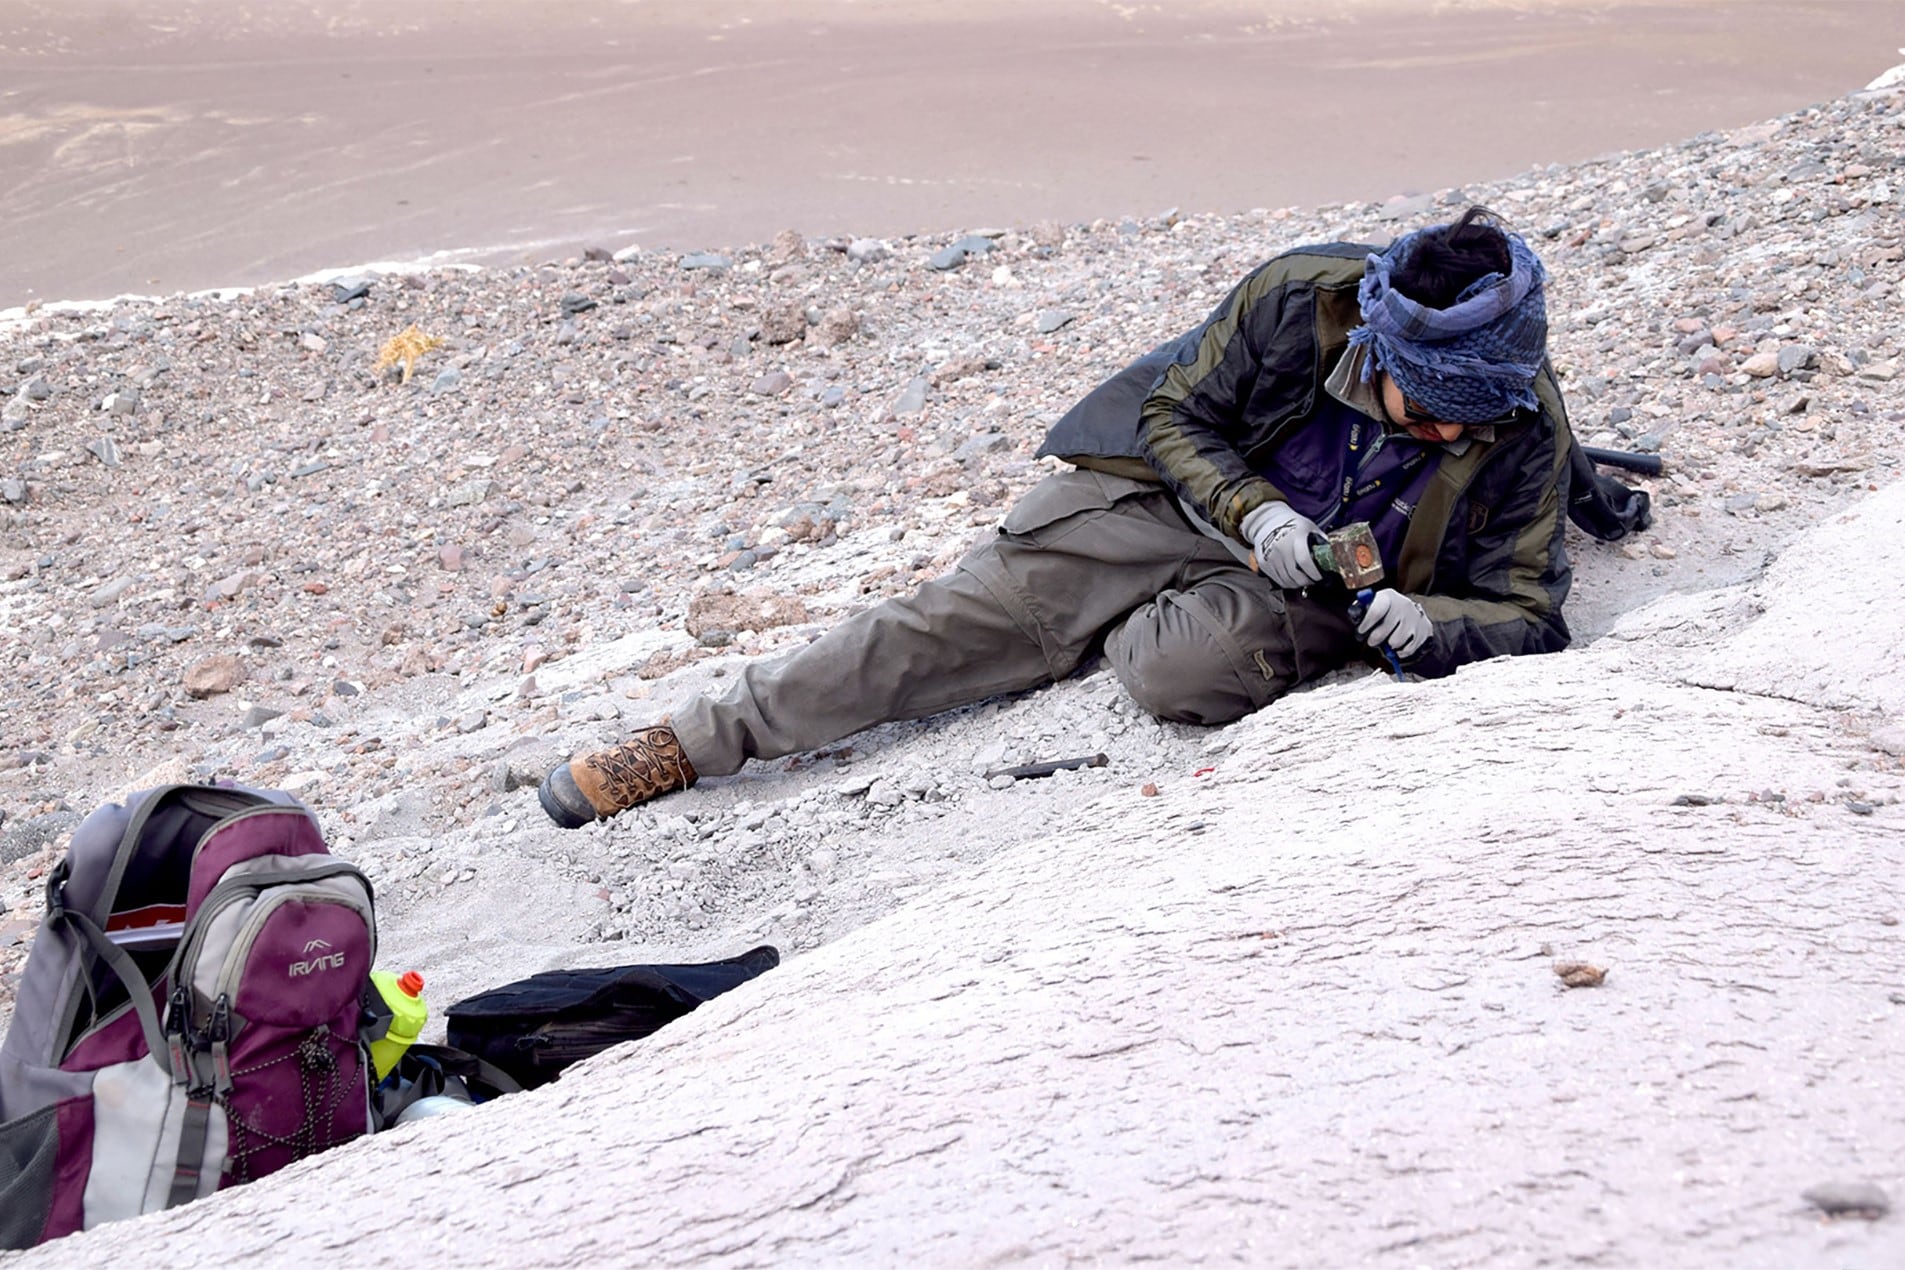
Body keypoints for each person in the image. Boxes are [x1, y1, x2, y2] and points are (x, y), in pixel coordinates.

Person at [539, 207, 1612, 828]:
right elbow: (1175, 414)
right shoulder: (1301, 297)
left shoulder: (1521, 424)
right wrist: (1255, 508)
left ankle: (1128, 619)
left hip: (1320, 583)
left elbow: (1527, 605)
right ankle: (689, 744)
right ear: (1382, 350)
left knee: (1173, 671)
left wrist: (1439, 633)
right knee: (949, 620)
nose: (1441, 435)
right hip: (1175, 500)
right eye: (1423, 413)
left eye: (1463, 424)